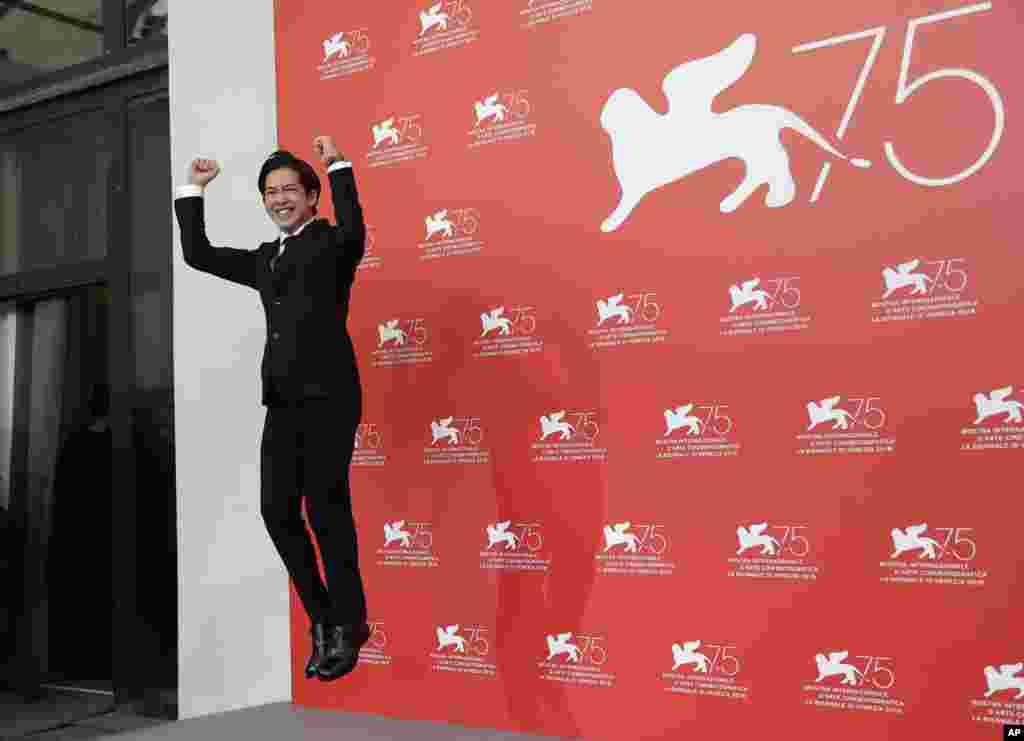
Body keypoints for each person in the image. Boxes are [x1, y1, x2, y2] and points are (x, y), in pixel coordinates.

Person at [172, 137, 368, 681]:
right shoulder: (265, 259)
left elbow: (354, 228)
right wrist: (195, 189)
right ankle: (326, 618)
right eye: (270, 193)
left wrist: (338, 166)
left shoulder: (332, 243)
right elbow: (199, 254)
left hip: (330, 396)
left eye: (289, 190)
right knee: (276, 511)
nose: (279, 199)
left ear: (311, 197)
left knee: (326, 512)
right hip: (282, 400)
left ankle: (350, 624)